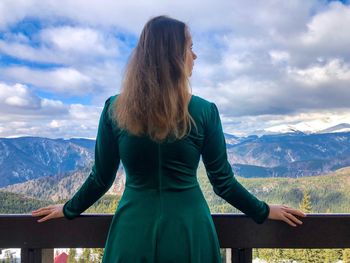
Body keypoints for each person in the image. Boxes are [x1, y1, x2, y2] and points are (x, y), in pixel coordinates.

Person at [32, 15, 306, 262]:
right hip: (189, 230)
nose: (195, 56)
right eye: (189, 48)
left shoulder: (115, 109)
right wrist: (263, 210)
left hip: (133, 230)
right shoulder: (204, 111)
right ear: (174, 55)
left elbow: (101, 178)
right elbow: (223, 183)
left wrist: (69, 209)